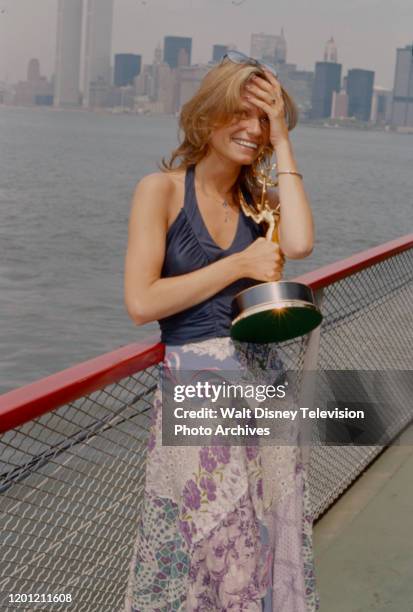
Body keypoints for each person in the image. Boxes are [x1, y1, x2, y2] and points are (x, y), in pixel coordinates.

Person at [124, 51, 320, 611]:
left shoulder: (257, 201)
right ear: (207, 116)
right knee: (212, 542)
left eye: (263, 117)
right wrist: (238, 265)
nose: (251, 128)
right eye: (241, 112)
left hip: (263, 382)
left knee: (269, 533)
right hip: (196, 385)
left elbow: (301, 243)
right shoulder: (159, 191)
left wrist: (283, 142)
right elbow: (141, 302)